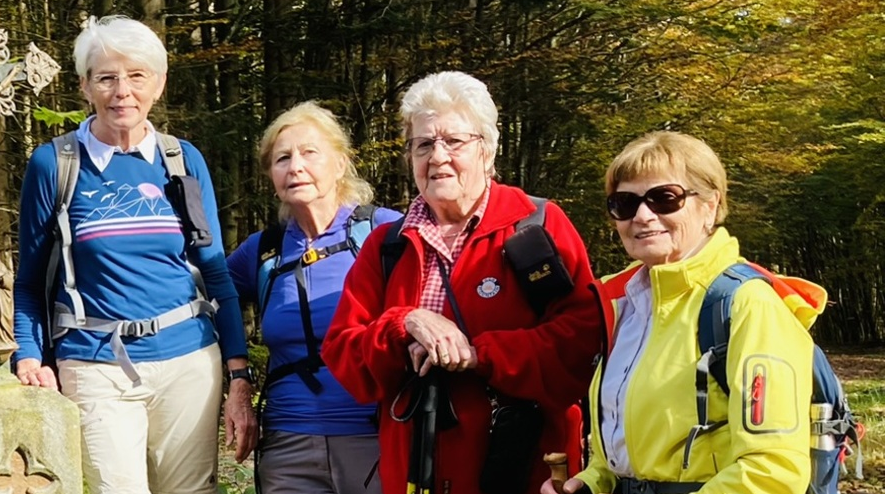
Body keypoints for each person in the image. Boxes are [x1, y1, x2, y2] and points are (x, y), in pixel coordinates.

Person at [322, 71, 604, 494]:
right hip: (417, 470)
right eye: (423, 144)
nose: (437, 157)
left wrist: (479, 355)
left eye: (454, 141)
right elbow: (345, 356)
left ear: (487, 151)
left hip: (525, 470)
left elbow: (580, 345)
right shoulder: (387, 246)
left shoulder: (536, 226)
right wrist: (404, 322)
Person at [10, 16, 251, 494]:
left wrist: (238, 371)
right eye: (107, 77)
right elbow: (30, 281)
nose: (123, 90)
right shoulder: (54, 164)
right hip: (95, 361)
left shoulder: (182, 160)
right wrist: (30, 353)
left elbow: (215, 272)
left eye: (137, 75)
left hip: (189, 361)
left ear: (158, 84)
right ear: (84, 86)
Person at [545, 132, 821, 494]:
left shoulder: (747, 304)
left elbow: (772, 471)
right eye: (625, 204)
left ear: (710, 205)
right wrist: (596, 481)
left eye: (664, 199)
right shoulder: (623, 305)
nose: (643, 216)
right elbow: (637, 449)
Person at [225, 102, 397, 494]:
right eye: (282, 158)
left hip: (376, 437)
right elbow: (208, 296)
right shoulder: (264, 250)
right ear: (271, 175)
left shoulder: (383, 231)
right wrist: (238, 378)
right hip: (288, 444)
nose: (295, 166)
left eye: (309, 153)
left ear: (340, 164)